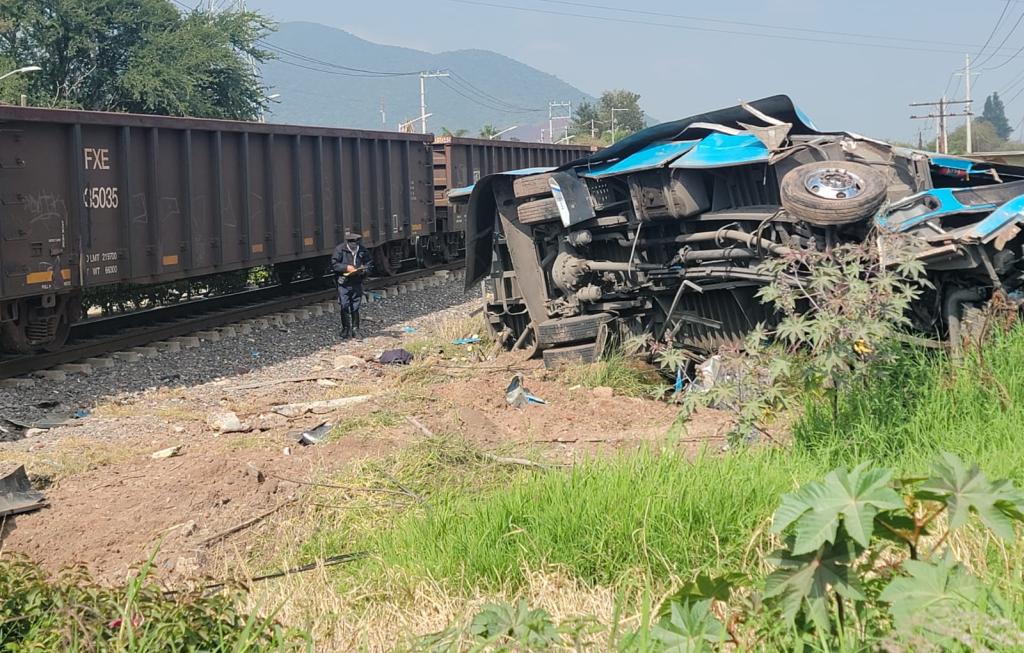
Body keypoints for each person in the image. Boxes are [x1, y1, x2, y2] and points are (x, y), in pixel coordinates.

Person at [331, 231, 373, 339]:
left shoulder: (362, 250)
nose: (354, 245)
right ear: (348, 243)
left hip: (356, 281)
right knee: (344, 305)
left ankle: (355, 329)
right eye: (352, 243)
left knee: (355, 306)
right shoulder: (340, 250)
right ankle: (345, 328)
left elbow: (369, 263)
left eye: (356, 243)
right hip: (344, 282)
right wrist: (346, 268)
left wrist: (364, 271)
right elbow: (335, 264)